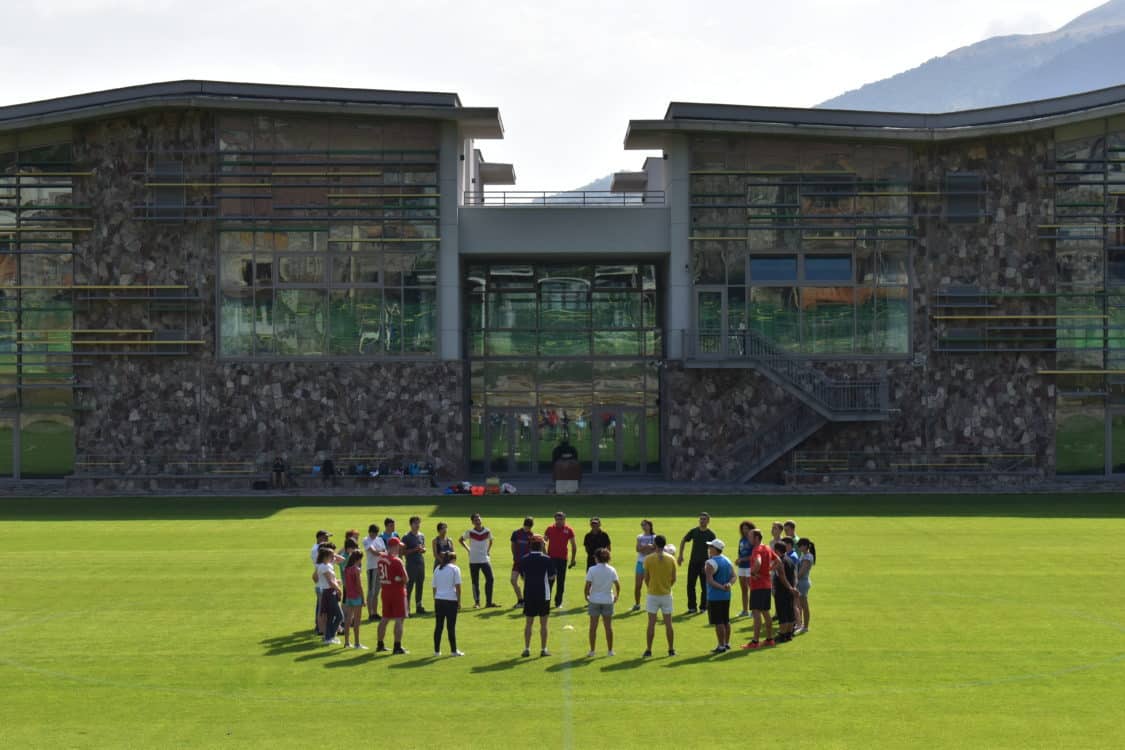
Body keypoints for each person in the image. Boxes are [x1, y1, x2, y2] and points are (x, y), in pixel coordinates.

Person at [518, 535, 556, 657]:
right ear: (542, 545)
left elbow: (522, 576)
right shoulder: (547, 559)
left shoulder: (524, 559)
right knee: (544, 624)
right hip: (543, 594)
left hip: (529, 593)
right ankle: (543, 649)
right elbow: (552, 576)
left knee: (528, 623)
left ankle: (527, 649)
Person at [742, 529, 780, 650]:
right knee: (766, 612)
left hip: (758, 586)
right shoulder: (767, 548)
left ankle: (755, 641)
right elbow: (778, 561)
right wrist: (768, 570)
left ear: (757, 538)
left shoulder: (756, 550)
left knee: (756, 613)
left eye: (750, 536)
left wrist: (752, 573)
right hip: (767, 585)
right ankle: (769, 639)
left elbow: (758, 562)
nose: (748, 539)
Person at [642, 534, 677, 657]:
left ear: (655, 544)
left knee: (651, 623)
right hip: (666, 594)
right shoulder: (671, 559)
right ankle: (671, 649)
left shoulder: (648, 559)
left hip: (652, 594)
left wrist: (650, 587)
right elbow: (674, 578)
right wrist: (667, 587)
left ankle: (648, 650)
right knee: (668, 624)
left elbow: (646, 578)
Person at [677, 512, 716, 614]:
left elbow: (715, 549)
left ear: (708, 521)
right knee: (690, 585)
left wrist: (711, 562)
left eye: (704, 519)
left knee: (704, 586)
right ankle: (692, 607)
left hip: (705, 563)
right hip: (693, 562)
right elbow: (684, 540)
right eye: (701, 519)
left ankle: (703, 607)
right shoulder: (694, 531)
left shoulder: (711, 534)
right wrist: (680, 555)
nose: (702, 521)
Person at [584, 547, 620, 657]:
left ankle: (592, 651)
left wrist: (586, 596)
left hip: (594, 600)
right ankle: (610, 651)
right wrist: (616, 596)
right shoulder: (612, 569)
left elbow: (587, 585)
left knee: (593, 627)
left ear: (597, 558)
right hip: (608, 600)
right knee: (608, 627)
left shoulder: (592, 569)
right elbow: (617, 585)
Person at [376, 537, 409, 654]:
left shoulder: (380, 559)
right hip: (397, 592)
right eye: (398, 546)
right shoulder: (396, 560)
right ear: (394, 547)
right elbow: (406, 579)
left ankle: (380, 644)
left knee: (385, 618)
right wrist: (399, 579)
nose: (400, 548)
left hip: (385, 591)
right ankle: (397, 646)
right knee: (399, 619)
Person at [459, 513, 498, 608]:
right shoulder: (470, 532)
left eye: (479, 519)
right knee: (475, 582)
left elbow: (491, 541)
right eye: (476, 520)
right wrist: (468, 549)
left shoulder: (487, 531)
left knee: (490, 579)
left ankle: (488, 602)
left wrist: (488, 551)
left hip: (485, 559)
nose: (478, 521)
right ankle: (477, 603)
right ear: (472, 522)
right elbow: (461, 540)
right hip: (474, 560)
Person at [703, 539, 734, 653]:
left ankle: (721, 646)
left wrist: (721, 587)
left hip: (715, 596)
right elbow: (733, 576)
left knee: (718, 622)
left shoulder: (710, 563)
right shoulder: (727, 560)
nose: (708, 548)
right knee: (726, 620)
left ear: (715, 549)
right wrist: (729, 584)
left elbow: (709, 580)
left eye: (710, 547)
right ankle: (726, 643)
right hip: (726, 596)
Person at [432, 551, 464, 656]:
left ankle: (436, 651)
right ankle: (453, 650)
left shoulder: (437, 568)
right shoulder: (455, 569)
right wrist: (459, 601)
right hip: (450, 600)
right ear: (453, 559)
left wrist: (435, 598)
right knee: (451, 627)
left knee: (438, 626)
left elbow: (434, 587)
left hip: (439, 600)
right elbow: (458, 587)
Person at [543, 511, 577, 608]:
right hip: (551, 559)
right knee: (550, 580)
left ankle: (558, 602)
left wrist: (573, 559)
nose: (559, 521)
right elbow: (543, 542)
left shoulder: (569, 530)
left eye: (561, 519)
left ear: (564, 519)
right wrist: (545, 556)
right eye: (557, 519)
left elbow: (573, 545)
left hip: (562, 559)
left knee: (561, 581)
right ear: (555, 519)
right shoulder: (550, 529)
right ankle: (546, 601)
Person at [314, 546, 344, 646]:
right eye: (331, 556)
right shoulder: (324, 567)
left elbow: (331, 580)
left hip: (329, 592)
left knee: (331, 616)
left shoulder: (327, 565)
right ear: (325, 557)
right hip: (329, 593)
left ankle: (328, 637)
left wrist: (336, 582)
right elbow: (330, 582)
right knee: (339, 616)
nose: (333, 557)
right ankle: (330, 636)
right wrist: (339, 590)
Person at [772, 540, 799, 644]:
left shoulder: (780, 561)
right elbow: (794, 575)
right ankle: (788, 634)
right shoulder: (789, 560)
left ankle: (782, 635)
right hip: (790, 591)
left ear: (777, 551)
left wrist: (790, 588)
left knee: (782, 613)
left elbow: (782, 577)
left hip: (782, 591)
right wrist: (794, 587)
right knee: (790, 612)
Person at [402, 516, 427, 615]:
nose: (417, 525)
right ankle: (407, 608)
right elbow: (403, 552)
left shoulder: (422, 536)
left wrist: (423, 550)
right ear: (411, 524)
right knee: (409, 586)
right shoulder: (406, 537)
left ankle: (419, 606)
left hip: (420, 563)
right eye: (415, 523)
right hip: (411, 564)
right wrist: (414, 550)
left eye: (418, 523)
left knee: (420, 585)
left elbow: (424, 547)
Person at [342, 551, 367, 649]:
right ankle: (357, 643)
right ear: (358, 559)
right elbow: (359, 586)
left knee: (348, 620)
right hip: (356, 597)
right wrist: (363, 599)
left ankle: (347, 643)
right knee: (357, 621)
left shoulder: (346, 569)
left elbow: (346, 584)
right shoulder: (356, 570)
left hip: (349, 597)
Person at [509, 516, 535, 606]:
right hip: (517, 562)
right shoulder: (516, 533)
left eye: (529, 527)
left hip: (527, 563)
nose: (528, 529)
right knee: (513, 580)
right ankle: (520, 600)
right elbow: (513, 545)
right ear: (525, 524)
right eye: (527, 526)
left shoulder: (532, 535)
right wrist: (514, 556)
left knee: (527, 583)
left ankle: (528, 601)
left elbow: (532, 549)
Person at [363, 524, 385, 623]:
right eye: (373, 533)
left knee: (376, 591)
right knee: (371, 591)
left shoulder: (379, 539)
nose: (374, 535)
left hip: (379, 567)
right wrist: (380, 552)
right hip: (372, 567)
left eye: (376, 533)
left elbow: (383, 550)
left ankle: (375, 612)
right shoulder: (366, 540)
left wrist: (380, 552)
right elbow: (373, 552)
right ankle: (370, 613)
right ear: (370, 532)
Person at [632, 520, 656, 612]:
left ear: (650, 526)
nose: (643, 527)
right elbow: (638, 549)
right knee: (638, 585)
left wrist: (645, 548)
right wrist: (647, 546)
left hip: (651, 563)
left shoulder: (655, 537)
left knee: (650, 585)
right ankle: (637, 604)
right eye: (642, 525)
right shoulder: (639, 537)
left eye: (645, 525)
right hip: (640, 562)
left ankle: (651, 604)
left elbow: (654, 549)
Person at [310, 529, 332, 632]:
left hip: (321, 579)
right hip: (321, 580)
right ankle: (319, 626)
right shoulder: (317, 549)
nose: (327, 539)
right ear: (319, 538)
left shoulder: (319, 548)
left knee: (321, 605)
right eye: (325, 537)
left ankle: (319, 626)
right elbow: (319, 565)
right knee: (321, 605)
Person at [735, 521, 757, 617]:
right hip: (741, 567)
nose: (745, 530)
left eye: (747, 528)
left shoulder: (753, 540)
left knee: (752, 589)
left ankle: (754, 610)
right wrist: (738, 560)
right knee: (743, 589)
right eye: (743, 528)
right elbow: (740, 552)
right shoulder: (742, 539)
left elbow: (754, 555)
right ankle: (745, 611)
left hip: (749, 567)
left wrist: (742, 559)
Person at [795, 537, 816, 635]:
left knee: (804, 605)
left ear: (805, 546)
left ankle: (805, 626)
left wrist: (795, 580)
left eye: (800, 546)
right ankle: (801, 624)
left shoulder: (807, 557)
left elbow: (802, 572)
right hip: (802, 582)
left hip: (802, 582)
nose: (799, 548)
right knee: (800, 605)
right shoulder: (805, 555)